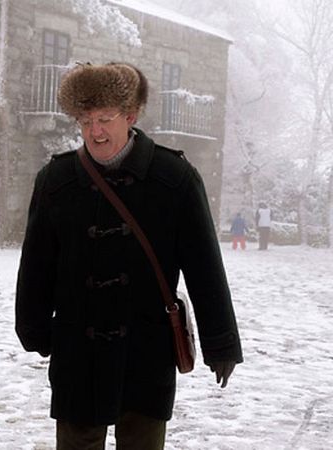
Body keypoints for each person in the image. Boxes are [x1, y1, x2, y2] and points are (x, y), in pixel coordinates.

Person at [15, 62, 243, 449]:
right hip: (77, 348)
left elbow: (204, 266)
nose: (94, 132)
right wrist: (33, 326)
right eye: (85, 121)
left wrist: (221, 341)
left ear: (131, 116)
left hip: (146, 348)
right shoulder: (57, 180)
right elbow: (37, 263)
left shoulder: (174, 179)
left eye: (104, 119)